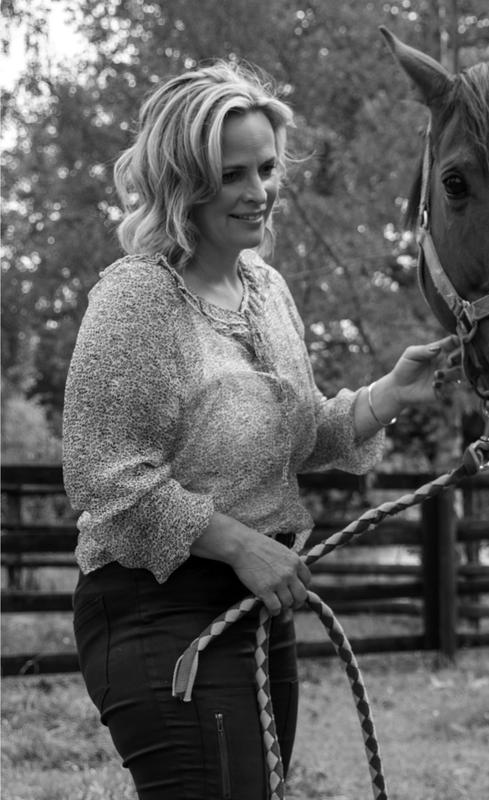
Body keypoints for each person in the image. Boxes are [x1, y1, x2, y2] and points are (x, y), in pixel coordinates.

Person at [62, 59, 457, 800]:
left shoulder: (264, 288)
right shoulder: (136, 300)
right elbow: (104, 475)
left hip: (257, 609)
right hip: (158, 609)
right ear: (186, 181)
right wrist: (242, 546)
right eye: (233, 173)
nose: (259, 191)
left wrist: (392, 392)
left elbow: (303, 433)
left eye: (267, 168)